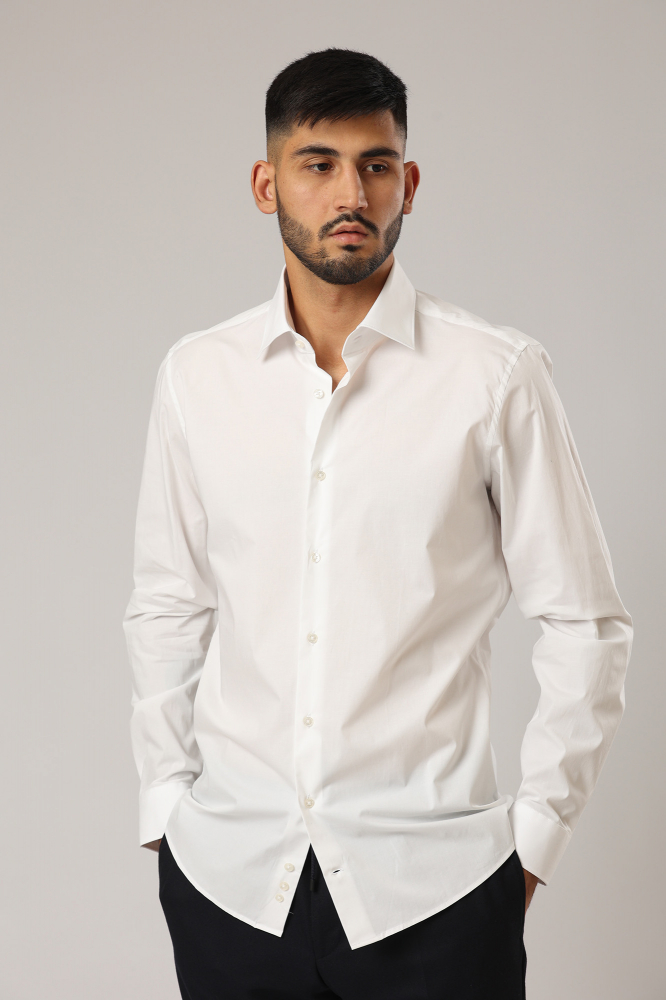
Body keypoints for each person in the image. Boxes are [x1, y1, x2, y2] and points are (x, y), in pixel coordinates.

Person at [123, 48, 632, 999]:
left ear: (410, 183)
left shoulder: (495, 376)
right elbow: (167, 604)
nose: (351, 193)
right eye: (318, 164)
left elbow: (585, 622)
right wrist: (165, 809)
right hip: (233, 886)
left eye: (376, 165)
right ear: (266, 184)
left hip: (436, 892)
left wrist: (531, 845)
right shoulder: (197, 377)